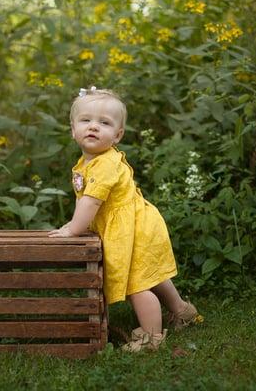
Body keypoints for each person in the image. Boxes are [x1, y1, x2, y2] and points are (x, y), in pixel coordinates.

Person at [49, 86, 202, 352]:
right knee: (148, 273)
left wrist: (74, 230)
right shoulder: (88, 162)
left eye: (104, 123)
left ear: (117, 135)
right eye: (86, 121)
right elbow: (83, 197)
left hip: (135, 228)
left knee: (137, 284)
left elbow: (91, 201)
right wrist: (76, 224)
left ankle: (151, 337)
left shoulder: (105, 164)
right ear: (73, 129)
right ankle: (182, 310)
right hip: (137, 222)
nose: (94, 127)